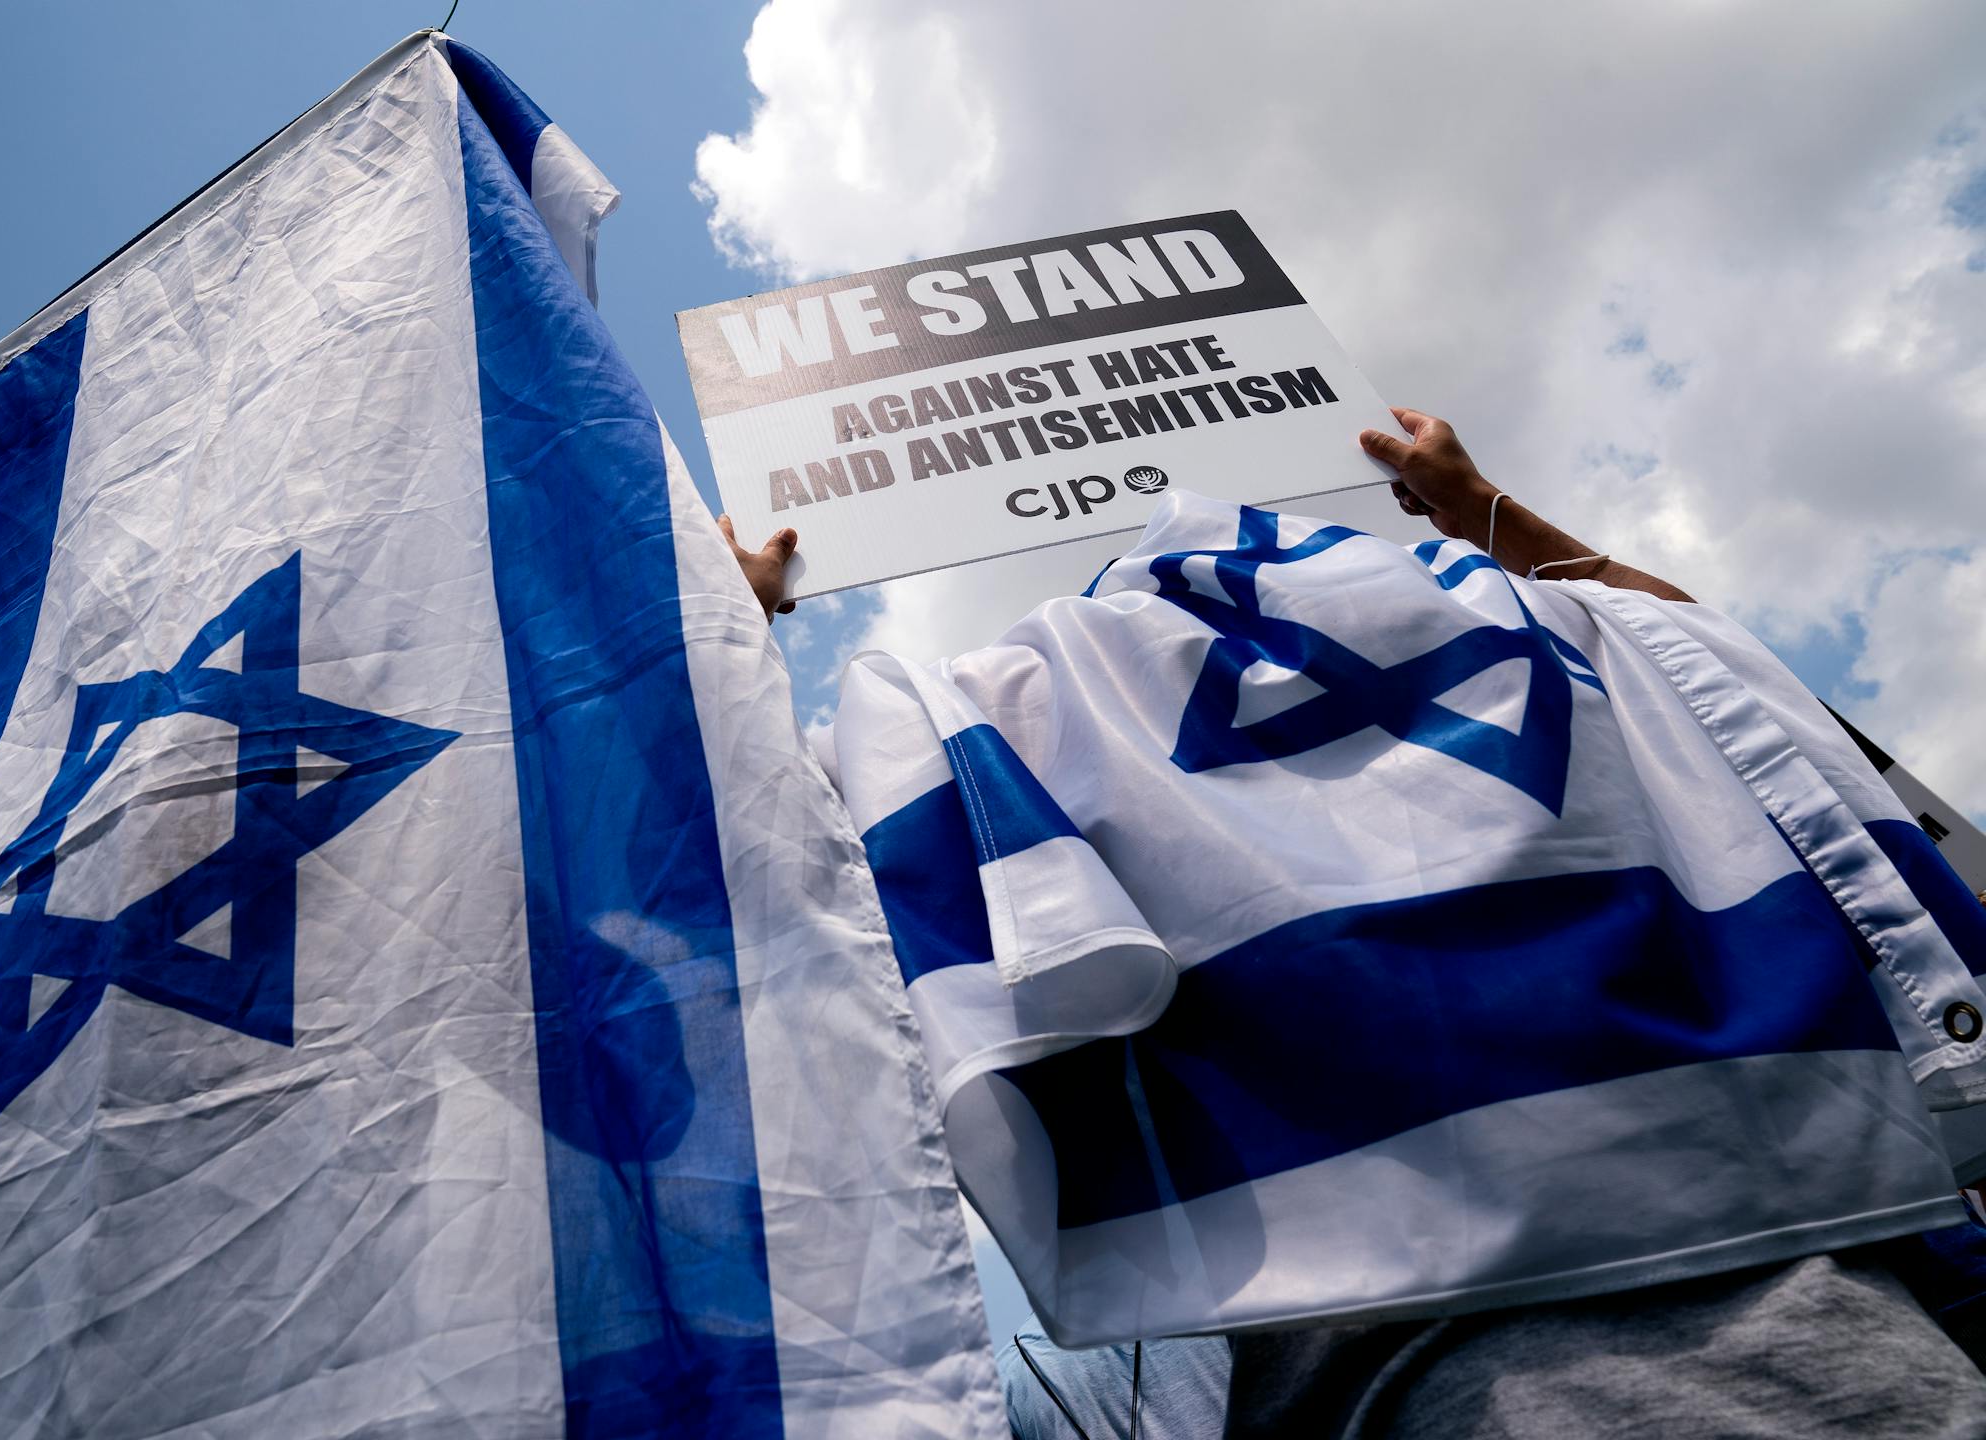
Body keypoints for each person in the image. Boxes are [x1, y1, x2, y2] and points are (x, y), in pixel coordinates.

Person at [723, 409, 1986, 1439]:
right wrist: (1486, 516)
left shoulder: (1006, 741)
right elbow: (1704, 661)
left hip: (1455, 1361)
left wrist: (726, 632)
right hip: (1808, 1289)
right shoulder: (1539, 642)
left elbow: (752, 858)